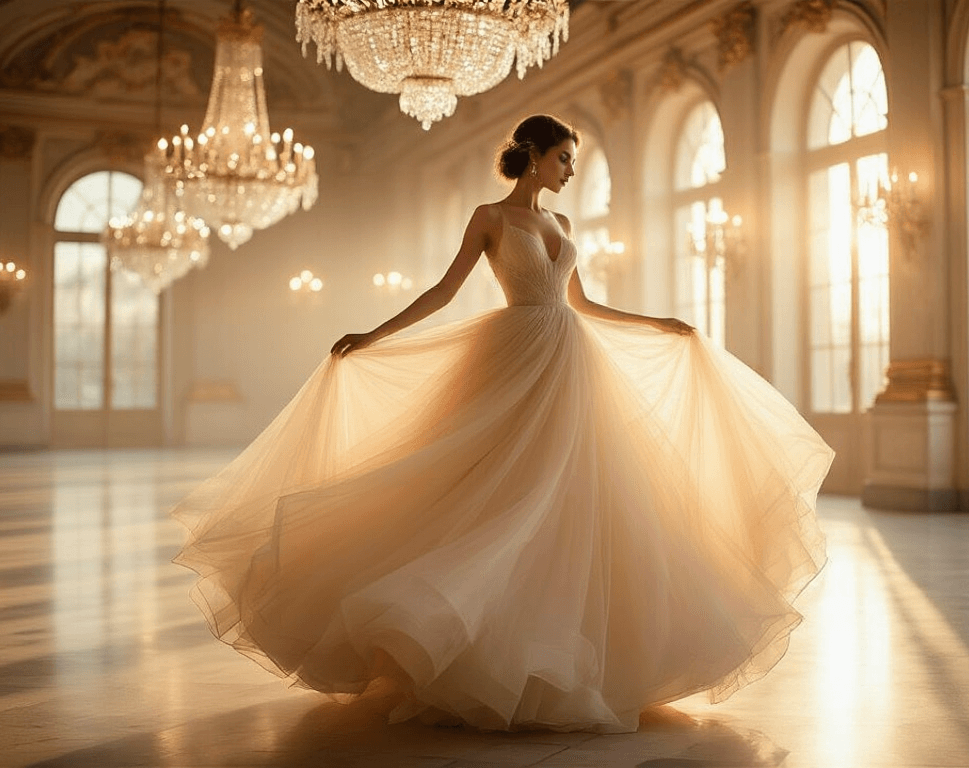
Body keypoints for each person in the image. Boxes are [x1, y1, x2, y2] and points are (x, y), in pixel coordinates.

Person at [172, 115, 833, 734]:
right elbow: (444, 291)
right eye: (564, 159)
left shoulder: (564, 220)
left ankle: (576, 652)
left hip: (570, 360)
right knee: (491, 488)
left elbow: (582, 301)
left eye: (573, 162)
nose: (570, 171)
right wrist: (372, 335)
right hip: (512, 357)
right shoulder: (489, 217)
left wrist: (659, 323)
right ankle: (467, 645)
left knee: (579, 497)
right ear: (536, 158)